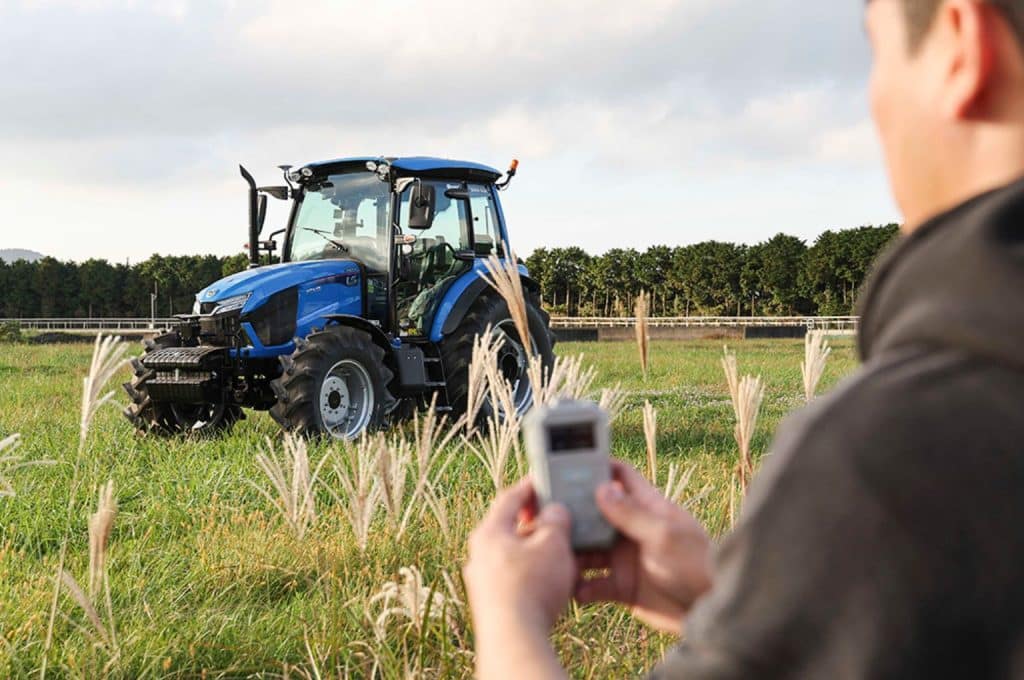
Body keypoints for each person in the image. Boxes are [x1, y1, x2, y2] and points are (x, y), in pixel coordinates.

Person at [463, 0, 1024, 677]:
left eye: (877, 55)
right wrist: (743, 612)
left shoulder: (887, 456)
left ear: (961, 45)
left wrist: (508, 618)